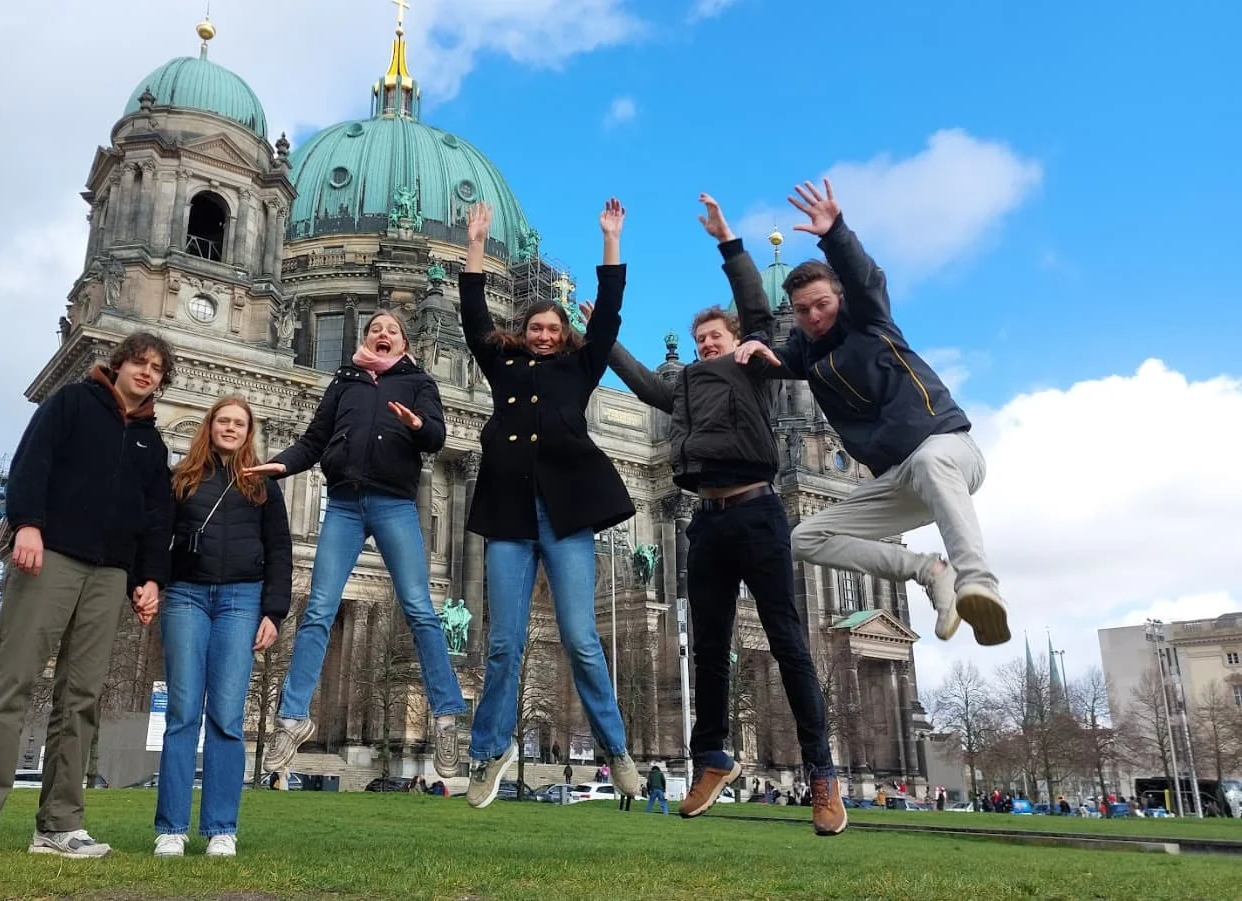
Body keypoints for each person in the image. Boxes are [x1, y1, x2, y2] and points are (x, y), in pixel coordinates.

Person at [601, 193, 846, 836]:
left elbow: (759, 311)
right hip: (703, 521)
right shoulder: (680, 389)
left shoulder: (751, 367)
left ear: (736, 341)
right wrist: (593, 333)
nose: (710, 343)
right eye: (702, 338)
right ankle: (711, 756)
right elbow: (636, 382)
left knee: (789, 644)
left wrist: (728, 241)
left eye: (718, 336)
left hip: (758, 513)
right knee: (706, 649)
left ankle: (822, 773)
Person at [0, 332, 175, 860]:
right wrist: (26, 525)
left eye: (157, 368)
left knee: (83, 698)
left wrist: (149, 578)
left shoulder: (151, 443)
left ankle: (59, 825)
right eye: (138, 362)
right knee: (12, 682)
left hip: (111, 572)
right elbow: (32, 463)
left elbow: (155, 519)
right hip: (51, 556)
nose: (146, 372)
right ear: (117, 365)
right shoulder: (71, 404)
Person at [746, 178, 1007, 646]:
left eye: (822, 304)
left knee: (930, 461)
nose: (814, 316)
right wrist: (749, 347)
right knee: (805, 538)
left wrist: (835, 232)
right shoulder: (805, 356)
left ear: (839, 299)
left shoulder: (869, 319)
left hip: (948, 450)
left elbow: (866, 278)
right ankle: (930, 571)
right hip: (896, 479)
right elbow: (772, 356)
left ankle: (978, 585)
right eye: (803, 311)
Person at [458, 198, 642, 808]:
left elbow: (610, 315)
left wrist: (610, 242)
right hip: (509, 514)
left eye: (552, 329)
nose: (542, 335)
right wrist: (476, 247)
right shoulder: (501, 361)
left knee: (581, 638)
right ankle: (487, 754)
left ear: (564, 335)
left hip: (565, 515)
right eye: (535, 327)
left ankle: (616, 751)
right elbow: (472, 311)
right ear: (523, 332)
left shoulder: (580, 368)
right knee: (504, 640)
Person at [249, 311, 467, 779]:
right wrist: (282, 466)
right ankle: (292, 718)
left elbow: (438, 436)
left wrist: (415, 425)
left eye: (391, 330)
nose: (382, 335)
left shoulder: (418, 382)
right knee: (319, 609)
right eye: (375, 329)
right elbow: (312, 440)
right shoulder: (343, 381)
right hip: (344, 504)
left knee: (420, 609)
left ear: (405, 342)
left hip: (394, 505)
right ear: (365, 338)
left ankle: (447, 716)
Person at [151, 396, 289, 858]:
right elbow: (157, 537)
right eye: (223, 421)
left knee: (228, 718)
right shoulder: (182, 479)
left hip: (242, 600)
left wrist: (274, 612)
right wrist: (149, 583)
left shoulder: (264, 486)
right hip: (187, 594)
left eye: (239, 424)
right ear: (209, 427)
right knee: (183, 714)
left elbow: (280, 551)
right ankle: (171, 828)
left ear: (249, 433)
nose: (230, 428)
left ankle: (220, 829)